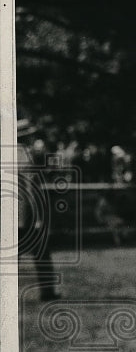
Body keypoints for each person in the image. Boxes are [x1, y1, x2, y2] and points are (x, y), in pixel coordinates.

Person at [17, 116, 60, 301]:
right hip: (25, 214)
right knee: (42, 253)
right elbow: (31, 188)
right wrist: (39, 217)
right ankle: (47, 291)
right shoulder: (25, 156)